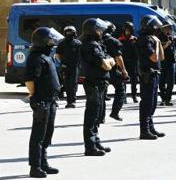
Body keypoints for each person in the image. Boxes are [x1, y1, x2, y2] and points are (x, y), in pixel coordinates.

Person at [25, 27, 63, 178]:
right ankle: (35, 166)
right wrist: (34, 95)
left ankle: (43, 163)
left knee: (48, 133)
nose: (52, 43)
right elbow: (29, 80)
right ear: (43, 42)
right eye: (50, 41)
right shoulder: (36, 58)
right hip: (42, 101)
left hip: (51, 100)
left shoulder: (46, 56)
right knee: (38, 135)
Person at [80, 18, 115, 156]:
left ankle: (95, 141)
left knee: (97, 114)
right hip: (93, 83)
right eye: (99, 30)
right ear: (94, 31)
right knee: (92, 115)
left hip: (99, 83)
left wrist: (109, 60)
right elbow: (106, 64)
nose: (101, 32)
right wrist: (110, 61)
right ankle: (90, 146)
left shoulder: (96, 44)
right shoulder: (91, 46)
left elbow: (108, 59)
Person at [136, 15, 166, 139]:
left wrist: (158, 42)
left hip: (154, 74)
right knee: (147, 103)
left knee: (153, 102)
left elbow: (162, 57)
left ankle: (151, 127)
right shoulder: (144, 39)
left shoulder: (152, 39)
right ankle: (144, 130)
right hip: (147, 74)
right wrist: (157, 43)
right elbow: (154, 57)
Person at [102, 22, 129, 121]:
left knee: (102, 95)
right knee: (121, 91)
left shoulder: (98, 40)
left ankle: (101, 117)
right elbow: (118, 57)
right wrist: (124, 70)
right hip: (113, 70)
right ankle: (115, 112)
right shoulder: (112, 41)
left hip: (102, 71)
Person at [55, 26, 81, 108]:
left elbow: (57, 56)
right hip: (73, 66)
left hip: (67, 66)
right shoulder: (78, 43)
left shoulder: (62, 43)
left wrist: (62, 62)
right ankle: (71, 101)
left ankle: (71, 101)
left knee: (69, 83)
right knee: (71, 84)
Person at [118, 22, 139, 103]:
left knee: (134, 81)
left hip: (133, 62)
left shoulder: (134, 39)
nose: (127, 32)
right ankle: (124, 97)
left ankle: (134, 96)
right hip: (124, 62)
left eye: (129, 30)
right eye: (126, 30)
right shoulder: (120, 40)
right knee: (123, 80)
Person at [158, 24, 176, 106]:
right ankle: (163, 98)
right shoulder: (159, 37)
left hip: (171, 61)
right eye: (167, 28)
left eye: (170, 28)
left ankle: (168, 99)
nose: (169, 30)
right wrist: (166, 44)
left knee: (170, 81)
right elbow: (159, 49)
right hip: (163, 62)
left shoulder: (171, 36)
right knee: (161, 81)